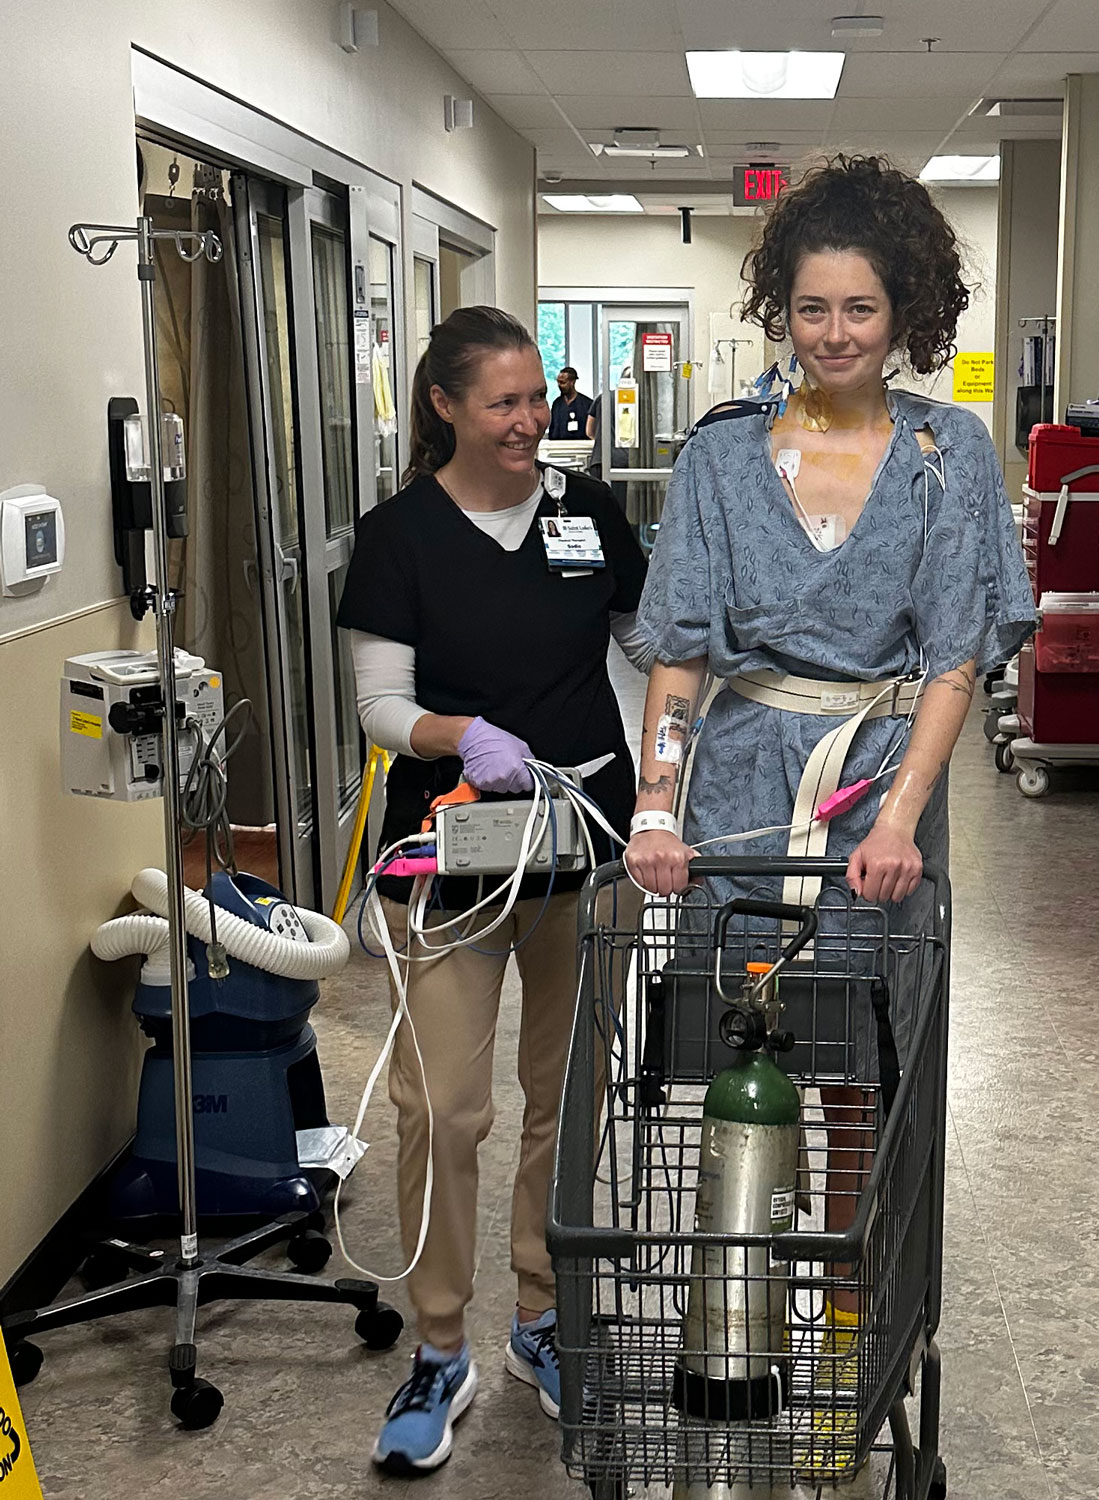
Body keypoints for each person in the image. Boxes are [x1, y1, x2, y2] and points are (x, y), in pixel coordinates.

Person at [622, 155, 1035, 1472]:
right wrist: (657, 799)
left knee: (861, 1083)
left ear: (904, 312)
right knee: (744, 1055)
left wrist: (903, 818)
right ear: (778, 310)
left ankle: (849, 1339)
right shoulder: (723, 456)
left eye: (861, 309)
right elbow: (679, 656)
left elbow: (958, 658)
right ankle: (732, 1318)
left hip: (877, 798)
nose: (836, 334)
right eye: (811, 309)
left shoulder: (944, 453)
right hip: (735, 806)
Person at [336, 306, 649, 1475]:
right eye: (506, 402)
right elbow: (377, 707)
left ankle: (541, 1321)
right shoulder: (399, 536)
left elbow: (644, 635)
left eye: (538, 401)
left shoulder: (584, 510)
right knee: (444, 1107)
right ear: (447, 407)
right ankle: (436, 1345)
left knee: (568, 1100)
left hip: (585, 841)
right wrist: (460, 733)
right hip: (453, 848)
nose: (532, 423)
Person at [545, 364, 591, 440]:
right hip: (558, 447)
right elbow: (553, 429)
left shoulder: (587, 404)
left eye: (563, 382)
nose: (559, 385)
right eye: (558, 382)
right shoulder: (557, 404)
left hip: (581, 447)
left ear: (572, 382)